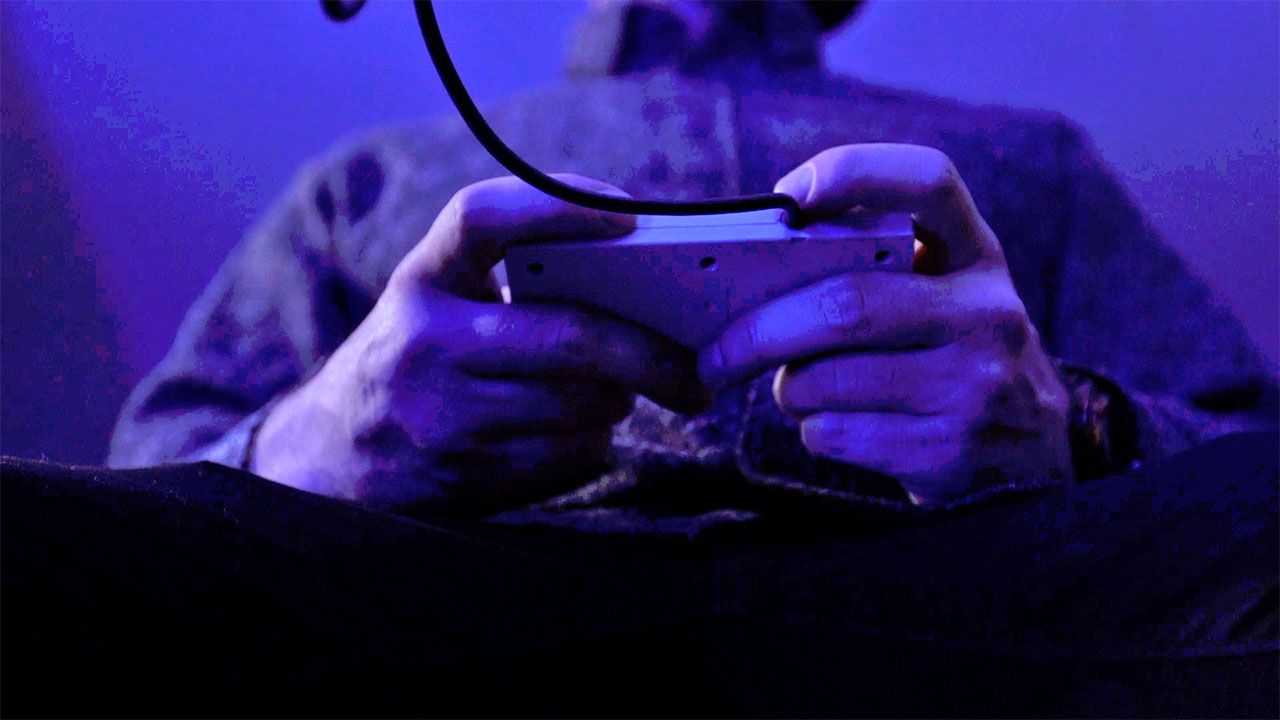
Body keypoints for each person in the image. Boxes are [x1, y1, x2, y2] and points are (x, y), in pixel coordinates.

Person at [9, 1, 1274, 714]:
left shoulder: (1035, 154)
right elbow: (153, 487)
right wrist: (317, 443)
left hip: (974, 595)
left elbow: (1242, 446)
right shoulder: (364, 174)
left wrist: (1070, 425)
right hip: (446, 597)